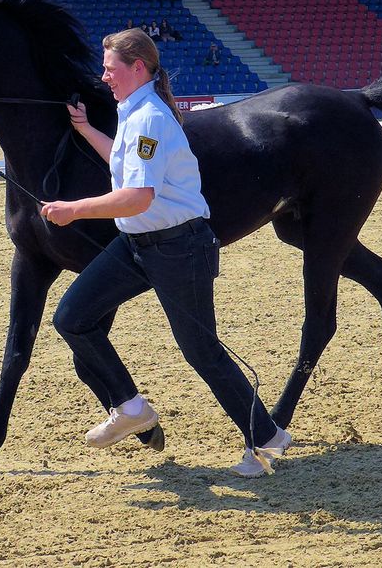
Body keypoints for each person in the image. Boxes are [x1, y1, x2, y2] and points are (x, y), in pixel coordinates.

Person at [42, 28, 291, 477]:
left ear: (138, 68)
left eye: (111, 69)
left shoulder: (149, 118)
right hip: (138, 244)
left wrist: (73, 210)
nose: (104, 77)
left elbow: (137, 196)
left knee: (202, 352)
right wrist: (85, 130)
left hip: (179, 248)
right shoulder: (134, 112)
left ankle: (267, 437)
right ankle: (131, 407)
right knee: (72, 318)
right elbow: (123, 163)